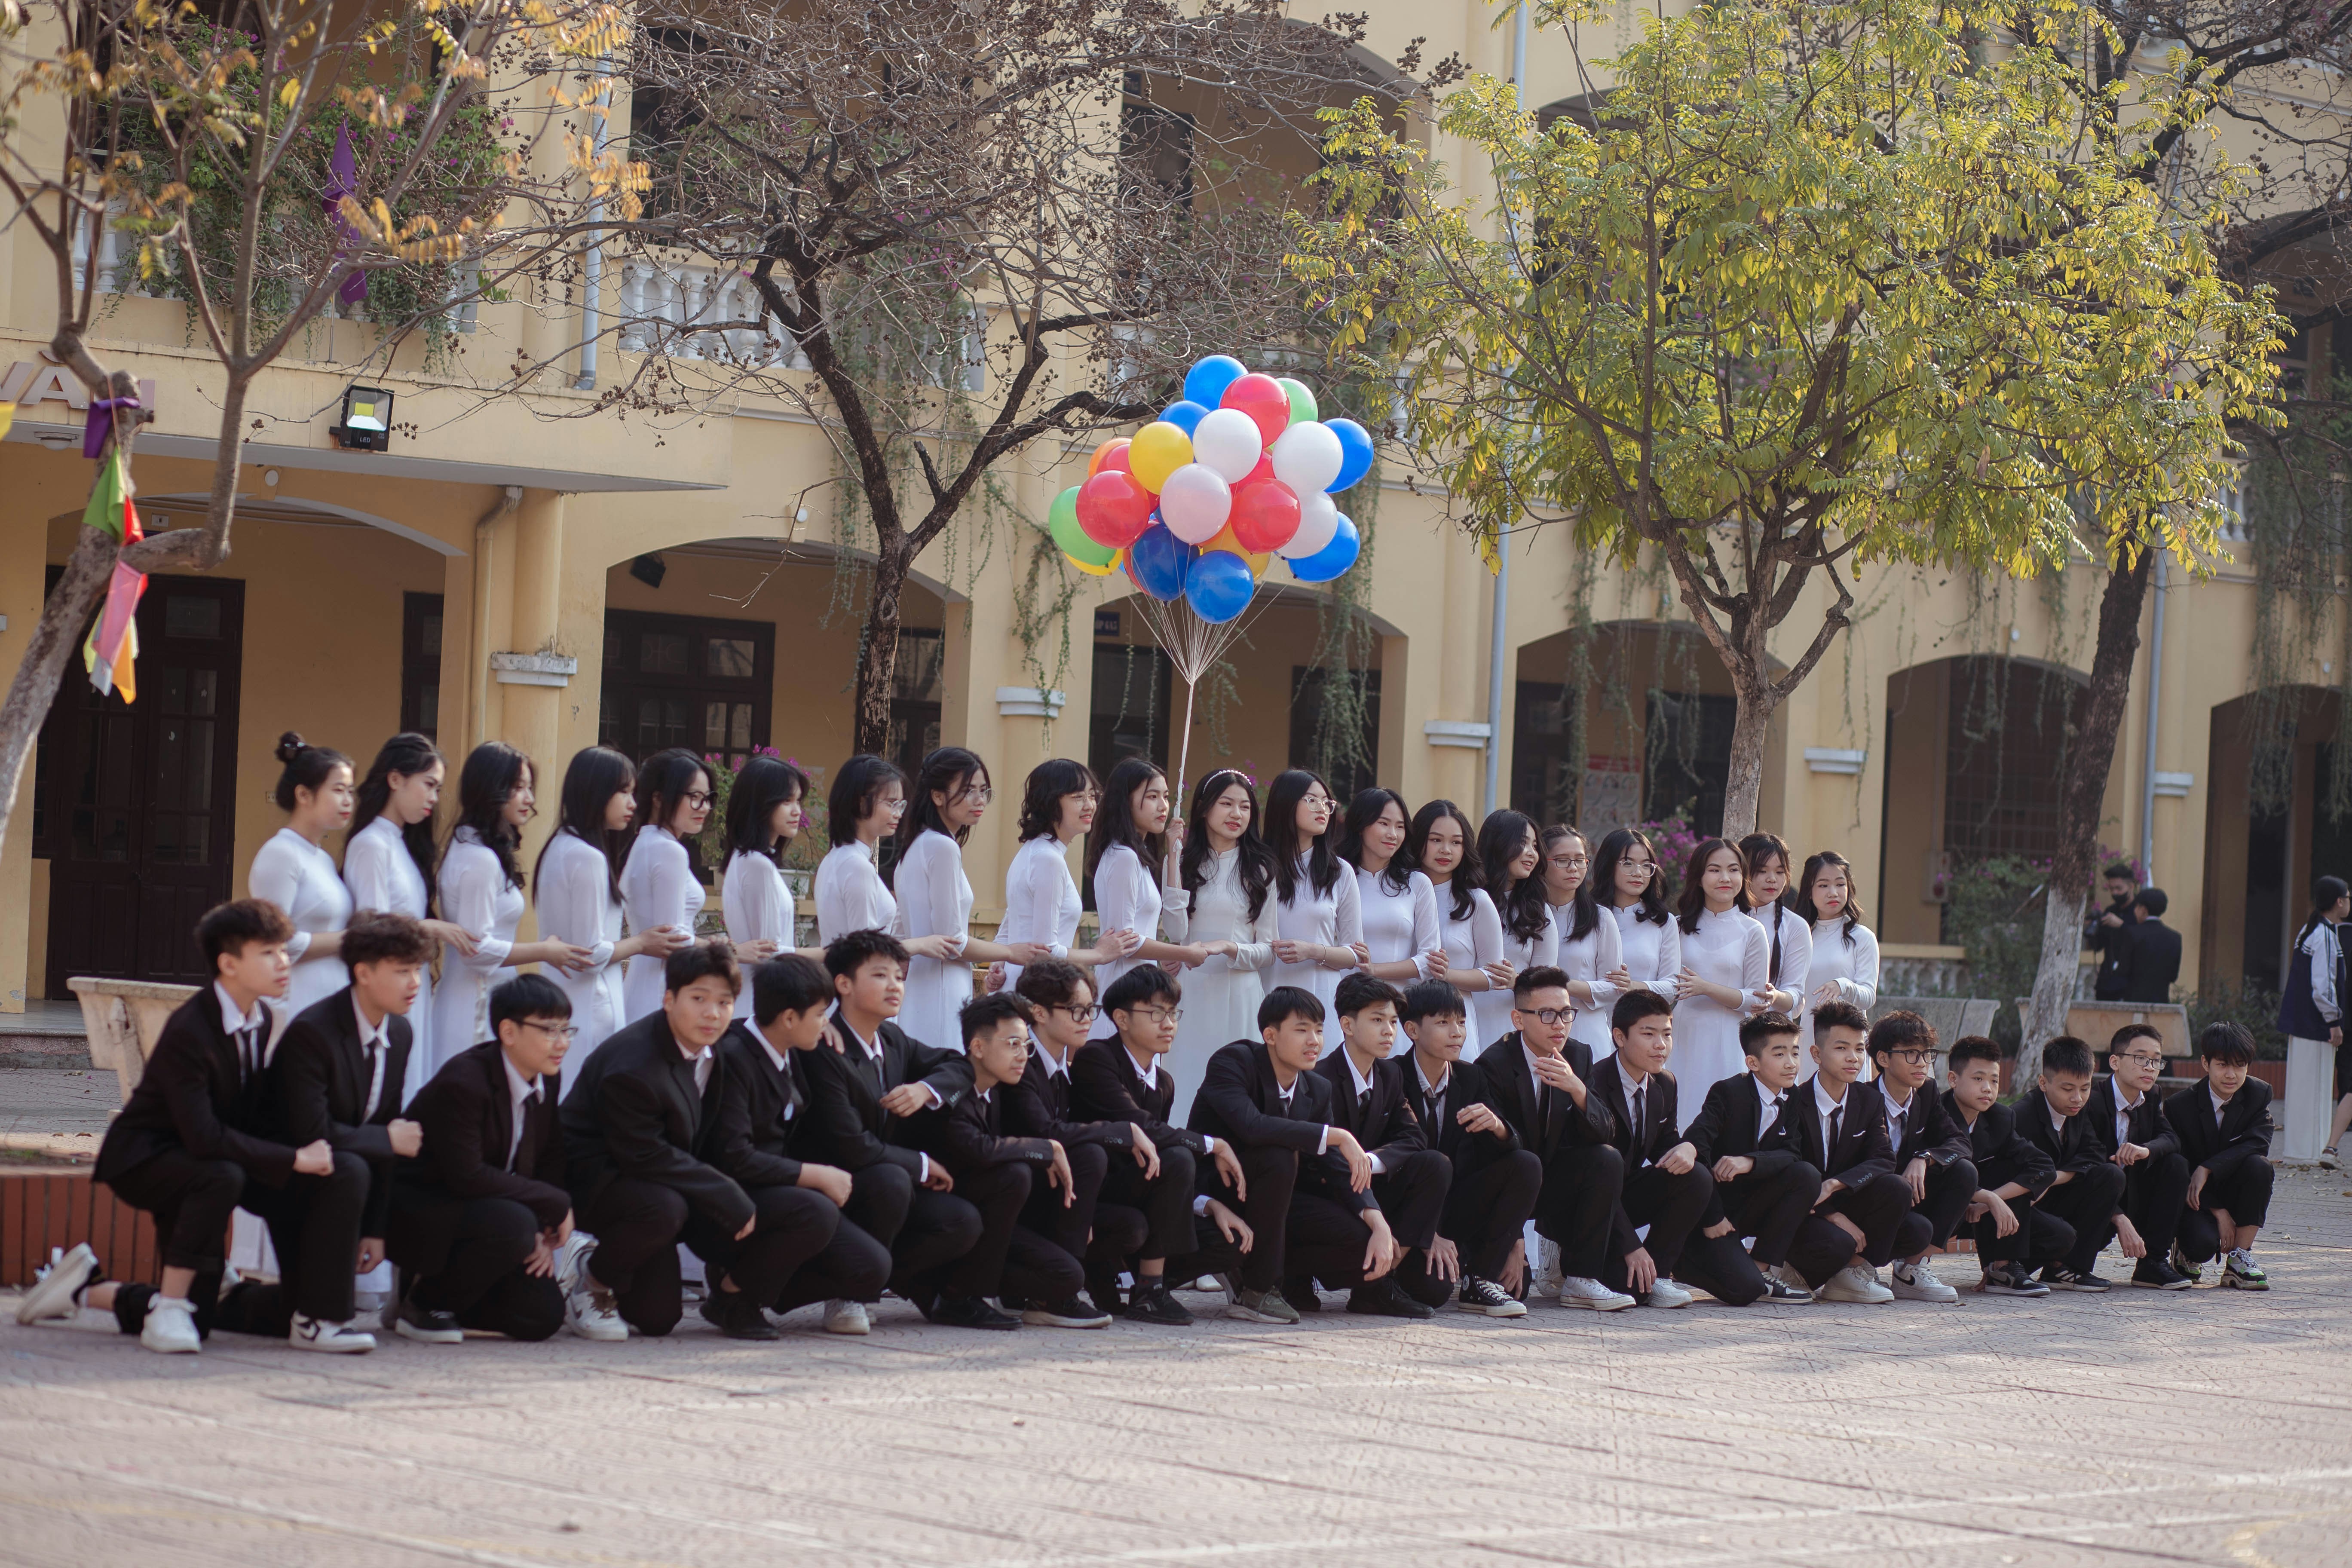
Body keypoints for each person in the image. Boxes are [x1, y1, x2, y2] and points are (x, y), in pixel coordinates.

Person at [23, 902, 362, 1353]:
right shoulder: (192, 1030)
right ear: (229, 964)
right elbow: (204, 1137)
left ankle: (86, 1289)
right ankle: (169, 1308)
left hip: (205, 1160)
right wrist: (293, 1158)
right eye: (269, 953)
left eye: (285, 951)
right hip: (148, 1158)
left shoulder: (258, 1021)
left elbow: (245, 1117)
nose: (284, 962)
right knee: (225, 1176)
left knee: (203, 1316)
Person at [563, 941, 839, 1339]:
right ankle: (591, 1280)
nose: (712, 1013)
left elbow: (773, 1031)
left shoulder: (716, 1047)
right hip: (606, 1182)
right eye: (698, 999)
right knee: (667, 1209)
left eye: (724, 1002)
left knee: (657, 1319)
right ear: (669, 999)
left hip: (669, 1185)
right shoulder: (634, 1065)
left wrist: (825, 1027)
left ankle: (723, 1288)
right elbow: (646, 1156)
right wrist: (725, 1192)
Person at [795, 928, 984, 1323]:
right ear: (842, 984)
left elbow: (959, 1064)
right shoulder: (824, 1047)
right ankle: (847, 1294)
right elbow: (851, 1146)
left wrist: (925, 1089)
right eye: (881, 976)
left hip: (882, 1184)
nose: (896, 985)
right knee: (892, 1180)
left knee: (961, 1221)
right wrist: (921, 1164)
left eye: (900, 976)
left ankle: (886, 1279)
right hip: (833, 1186)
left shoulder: (892, 1039)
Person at [1188, 985, 1399, 1325]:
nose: (1314, 1040)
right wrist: (1336, 1135)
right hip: (1216, 1193)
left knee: (1359, 1240)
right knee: (1279, 1157)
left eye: (1318, 1030)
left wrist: (1377, 1221)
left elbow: (1335, 1168)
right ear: (1270, 1035)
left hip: (1275, 1200)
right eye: (1301, 1030)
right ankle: (1258, 1290)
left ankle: (1268, 1273)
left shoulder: (1317, 1089)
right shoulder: (1234, 1061)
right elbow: (1253, 1127)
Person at [266, 911, 434, 1338]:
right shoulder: (313, 1032)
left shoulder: (400, 1031)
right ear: (363, 972)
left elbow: (386, 1136)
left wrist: (377, 1231)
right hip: (285, 1175)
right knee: (357, 1164)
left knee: (276, 1313)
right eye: (402, 972)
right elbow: (310, 1134)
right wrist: (386, 1138)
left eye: (417, 969)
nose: (415, 982)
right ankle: (320, 1323)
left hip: (341, 1176)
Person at [383, 974, 574, 1344]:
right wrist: (552, 1203)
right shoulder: (465, 1082)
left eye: (567, 1030)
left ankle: (439, 1297)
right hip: (419, 1212)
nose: (562, 1043)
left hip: (488, 1215)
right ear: (508, 1031)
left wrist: (542, 1229)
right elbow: (466, 1176)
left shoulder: (547, 1075)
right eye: (550, 1030)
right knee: (513, 1223)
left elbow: (550, 1154)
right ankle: (424, 1302)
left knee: (541, 1318)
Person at [891, 994, 1099, 1330]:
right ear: (978, 1047)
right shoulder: (950, 1095)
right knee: (1014, 1175)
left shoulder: (1001, 1090)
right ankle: (961, 1297)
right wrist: (1047, 1148)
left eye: (1027, 1046)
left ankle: (953, 1289)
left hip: (984, 1215)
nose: (1023, 1056)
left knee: (1067, 1276)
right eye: (1013, 1044)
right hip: (933, 1215)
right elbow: (980, 1149)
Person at [709, 955, 893, 1333]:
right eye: (822, 1014)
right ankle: (736, 1297)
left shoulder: (792, 1046)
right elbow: (733, 1157)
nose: (828, 1022)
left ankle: (748, 1284)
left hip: (780, 1194)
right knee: (817, 1212)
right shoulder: (734, 1059)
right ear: (789, 1018)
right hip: (733, 1198)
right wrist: (813, 1175)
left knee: (871, 1268)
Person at [1067, 963, 1254, 1321]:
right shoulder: (1097, 1058)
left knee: (1227, 1241)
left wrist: (1207, 1204)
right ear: (1121, 1019)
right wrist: (1212, 1144)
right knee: (1179, 1160)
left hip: (1138, 1196)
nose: (1168, 1023)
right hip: (1093, 1199)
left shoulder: (1164, 1082)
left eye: (1172, 1013)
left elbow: (1158, 1155)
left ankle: (1141, 1284)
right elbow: (1142, 1127)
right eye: (1156, 1013)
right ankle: (1147, 1289)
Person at [1009, 961, 1179, 1322]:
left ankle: (1096, 1285)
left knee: (1129, 1225)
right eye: (1076, 1010)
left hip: (1055, 1191)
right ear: (1038, 1012)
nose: (1087, 1019)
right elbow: (1046, 1132)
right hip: (1012, 1200)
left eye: (1090, 1010)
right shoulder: (1020, 1060)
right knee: (1091, 1154)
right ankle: (1053, 1296)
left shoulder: (1062, 1068)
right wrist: (1119, 1130)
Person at [1584, 990, 1767, 1308]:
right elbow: (1592, 1177)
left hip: (1628, 1195)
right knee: (1628, 1290)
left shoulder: (1665, 1083)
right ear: (1619, 1037)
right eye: (1649, 1034)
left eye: (1667, 1034)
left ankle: (1660, 1272)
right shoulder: (1593, 1083)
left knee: (1694, 1174)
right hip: (1591, 1203)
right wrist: (1631, 1246)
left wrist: (1690, 1150)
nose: (1661, 1045)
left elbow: (1667, 1146)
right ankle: (1591, 1263)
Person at [1476, 966, 1632, 1311]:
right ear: (1519, 1019)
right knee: (1516, 1292)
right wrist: (1514, 1241)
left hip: (1553, 1185)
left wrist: (1577, 1089)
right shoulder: (1493, 1064)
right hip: (1506, 1188)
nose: (1560, 1024)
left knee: (1606, 1158)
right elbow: (1489, 1156)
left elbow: (1605, 1132)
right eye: (1547, 1014)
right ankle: (1507, 1255)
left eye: (1566, 1013)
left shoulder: (1578, 1055)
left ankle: (1581, 1279)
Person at [434, 744, 589, 1078]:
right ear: (490, 789)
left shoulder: (473, 848)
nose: (529, 799)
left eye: (530, 788)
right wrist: (545, 951)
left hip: (485, 996)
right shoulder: (478, 858)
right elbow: (475, 949)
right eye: (518, 788)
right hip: (475, 1003)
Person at [538, 747, 686, 1089]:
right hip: (592, 1004)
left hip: (561, 998)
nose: (633, 804)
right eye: (623, 792)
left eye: (633, 793)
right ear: (594, 791)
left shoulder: (558, 847)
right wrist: (641, 942)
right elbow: (588, 954)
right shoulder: (587, 856)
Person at [1308, 973, 1455, 1317]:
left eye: (1392, 1021)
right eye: (1377, 1020)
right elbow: (1320, 1158)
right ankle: (1297, 1276)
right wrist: (1353, 1167)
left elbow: (1413, 1137)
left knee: (1435, 1164)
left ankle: (1379, 1280)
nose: (1389, 1030)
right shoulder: (1319, 1077)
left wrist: (1370, 1162)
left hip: (1373, 1185)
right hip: (1328, 1195)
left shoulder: (1390, 1074)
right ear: (1347, 1024)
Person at [1683, 1013, 1849, 1303]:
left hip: (1755, 1207)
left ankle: (1763, 1270)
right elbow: (1696, 1147)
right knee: (1744, 1291)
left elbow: (1792, 1153)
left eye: (1795, 1052)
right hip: (1716, 1214)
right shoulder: (1728, 1092)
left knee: (1806, 1175)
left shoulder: (1791, 1096)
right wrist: (1713, 1216)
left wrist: (1749, 1161)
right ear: (1753, 1063)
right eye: (1780, 1053)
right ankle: (1684, 1263)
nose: (1791, 1063)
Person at [346, 732, 474, 1101]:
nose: (435, 797)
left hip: (411, 985)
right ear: (395, 779)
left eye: (438, 788)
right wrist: (427, 927)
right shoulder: (370, 844)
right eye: (429, 785)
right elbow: (370, 929)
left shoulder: (402, 844)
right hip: (384, 986)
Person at [1396, 979, 1536, 1316]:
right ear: (1412, 1029)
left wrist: (1499, 1127)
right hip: (1406, 1215)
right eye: (1443, 1023)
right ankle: (1398, 1273)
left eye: (1461, 1022)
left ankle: (1480, 1281)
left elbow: (1508, 1149)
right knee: (1433, 1291)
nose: (1457, 1032)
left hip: (1457, 1210)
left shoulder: (1471, 1078)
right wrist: (1428, 1232)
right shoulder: (1392, 1077)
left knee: (1526, 1163)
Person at [891, 748, 1037, 1049]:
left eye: (984, 791)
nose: (979, 800)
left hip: (918, 986)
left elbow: (901, 928)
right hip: (941, 987)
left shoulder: (917, 844)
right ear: (938, 796)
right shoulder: (943, 848)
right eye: (968, 791)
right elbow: (952, 943)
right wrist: (1009, 952)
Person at [1766, 1001, 1903, 1304]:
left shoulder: (1869, 1100)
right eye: (1842, 1048)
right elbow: (1789, 1172)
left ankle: (1851, 1274)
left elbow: (1883, 1159)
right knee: (1837, 1242)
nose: (1853, 1058)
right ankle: (1794, 1272)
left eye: (1858, 1048)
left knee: (1901, 1196)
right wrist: (1835, 1216)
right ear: (1816, 1054)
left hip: (1842, 1197)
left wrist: (1835, 1185)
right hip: (1803, 1211)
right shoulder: (1792, 1102)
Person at [1164, 769, 1281, 1112]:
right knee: (1186, 1086)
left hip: (1242, 994)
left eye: (1245, 807)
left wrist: (1229, 948)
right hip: (1192, 991)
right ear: (1203, 809)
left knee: (1238, 1094)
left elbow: (1268, 950)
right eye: (1226, 804)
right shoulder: (1182, 861)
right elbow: (1174, 931)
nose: (1237, 814)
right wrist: (1172, 855)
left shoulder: (1261, 869)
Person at [1085, 757, 1205, 1039]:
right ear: (1124, 801)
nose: (1163, 806)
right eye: (1152, 797)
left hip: (1140, 986)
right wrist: (1184, 953)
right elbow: (1126, 943)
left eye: (1165, 796)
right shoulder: (1124, 857)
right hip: (1125, 989)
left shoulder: (1131, 856)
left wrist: (1173, 851)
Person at [995, 758, 1137, 994]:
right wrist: (1099, 955)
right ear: (1050, 802)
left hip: (1019, 984)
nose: (1090, 805)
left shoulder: (1033, 852)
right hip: (1035, 993)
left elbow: (1011, 925)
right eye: (1078, 797)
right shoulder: (1048, 859)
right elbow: (1045, 952)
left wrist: (999, 963)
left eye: (1092, 796)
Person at [1942, 1035, 2067, 1296]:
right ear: (1953, 1079)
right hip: (1940, 1206)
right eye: (1978, 1079)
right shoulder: (1936, 1112)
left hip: (1980, 1213)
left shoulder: (2000, 1117)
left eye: (1994, 1080)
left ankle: (2003, 1270)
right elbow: (1940, 1168)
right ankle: (1912, 1265)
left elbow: (2042, 1166)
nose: (1988, 1088)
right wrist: (1986, 1197)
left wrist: (1990, 1202)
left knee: (2061, 1236)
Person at [1859, 1011, 1971, 1303]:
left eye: (1927, 1054)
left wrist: (1924, 1157)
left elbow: (1959, 1142)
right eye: (1911, 1054)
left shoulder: (1927, 1093)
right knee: (1908, 1210)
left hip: (1907, 1199)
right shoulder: (1862, 1099)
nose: (1922, 1063)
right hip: (1867, 1203)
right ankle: (1856, 1268)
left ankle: (1912, 1271)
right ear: (1883, 1059)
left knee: (1964, 1172)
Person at [2015, 1035, 2137, 1292]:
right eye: (2068, 1089)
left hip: (2053, 1195)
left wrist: (2056, 1177)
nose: (2078, 1098)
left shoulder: (2079, 1112)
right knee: (2063, 1234)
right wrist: (2045, 1180)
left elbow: (2094, 1153)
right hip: (2024, 1209)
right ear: (2044, 1083)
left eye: (2085, 1088)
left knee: (2111, 1176)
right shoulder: (2021, 1115)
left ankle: (2069, 1269)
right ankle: (2011, 1267)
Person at [249, 732, 356, 1017]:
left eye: (350, 791)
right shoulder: (281, 854)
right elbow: (277, 943)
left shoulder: (321, 858)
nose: (348, 801)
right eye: (338, 790)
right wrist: (351, 939)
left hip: (333, 1000)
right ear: (304, 795)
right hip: (295, 1005)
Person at [2164, 1021, 2275, 1289]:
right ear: (2206, 1063)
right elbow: (2182, 1168)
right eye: (2223, 1065)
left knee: (2260, 1166)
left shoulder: (2258, 1093)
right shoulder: (2179, 1107)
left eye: (2240, 1066)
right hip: (2197, 1197)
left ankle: (2240, 1258)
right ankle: (2183, 1252)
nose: (2232, 1075)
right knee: (2201, 1247)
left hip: (2236, 1187)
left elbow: (2258, 1143)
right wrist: (2219, 1211)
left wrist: (2209, 1168)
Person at [1670, 838, 1771, 1118]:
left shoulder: (1752, 931)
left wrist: (1706, 988)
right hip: (1683, 1035)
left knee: (1724, 1118)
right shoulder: (1676, 927)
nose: (1725, 878)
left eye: (1734, 870)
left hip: (1728, 1037)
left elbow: (1756, 1000)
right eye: (1715, 870)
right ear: (1699, 878)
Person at [2089, 1023, 2195, 1290]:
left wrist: (2144, 1150)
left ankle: (2153, 1264)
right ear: (2115, 1061)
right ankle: (2066, 1267)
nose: (2150, 1067)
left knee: (2176, 1165)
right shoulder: (2091, 1099)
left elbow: (2171, 1138)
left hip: (2133, 1191)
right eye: (2140, 1058)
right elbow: (2085, 1163)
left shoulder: (2152, 1095)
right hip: (2093, 1196)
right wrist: (2118, 1217)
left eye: (2156, 1061)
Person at [1265, 769, 1366, 1029]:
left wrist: (1312, 951)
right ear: (1286, 804)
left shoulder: (1340, 871)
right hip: (1266, 992)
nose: (1322, 808)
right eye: (1312, 800)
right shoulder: (1258, 868)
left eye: (1327, 802)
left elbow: (1354, 954)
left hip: (1320, 994)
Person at [618, 748, 713, 1022]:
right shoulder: (668, 850)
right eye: (694, 797)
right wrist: (728, 951)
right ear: (658, 798)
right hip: (662, 993)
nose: (704, 807)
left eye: (707, 798)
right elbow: (673, 940)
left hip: (643, 988)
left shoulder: (645, 843)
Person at [720, 753, 815, 1021]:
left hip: (755, 1000)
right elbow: (769, 954)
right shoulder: (756, 865)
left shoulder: (746, 860)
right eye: (787, 801)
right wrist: (823, 955)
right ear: (760, 804)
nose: (797, 811)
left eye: (798, 801)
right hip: (761, 1007)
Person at [1409, 798, 1507, 1028]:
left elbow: (1494, 975)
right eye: (1436, 840)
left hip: (1455, 1021)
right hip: (1400, 1017)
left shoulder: (1477, 902)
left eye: (1456, 842)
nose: (1446, 850)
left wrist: (1446, 974)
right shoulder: (1398, 894)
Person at [1470, 809, 1558, 1054]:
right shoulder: (1465, 901)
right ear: (1498, 844)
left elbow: (1548, 982)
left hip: (1512, 1024)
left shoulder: (1539, 912)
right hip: (1463, 1015)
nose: (1531, 853)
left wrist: (1516, 981)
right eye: (1522, 843)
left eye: (1534, 845)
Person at [1339, 787, 1445, 986]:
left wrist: (1374, 970)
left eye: (1400, 827)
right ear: (1360, 825)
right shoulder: (1337, 878)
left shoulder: (1417, 883)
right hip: (1341, 1000)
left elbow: (1430, 959)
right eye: (1384, 824)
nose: (1393, 835)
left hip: (1395, 1004)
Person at [2277, 876, 2347, 1164]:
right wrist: (2334, 1021)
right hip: (2316, 1024)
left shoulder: (2310, 929)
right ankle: (2310, 1152)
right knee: (2316, 1090)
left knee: (2302, 1089)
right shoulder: (2327, 935)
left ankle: (2300, 1150)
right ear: (2340, 902)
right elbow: (2323, 986)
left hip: (2301, 1022)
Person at [1545, 825, 1627, 1058]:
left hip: (1586, 1028)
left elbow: (1614, 987)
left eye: (1580, 860)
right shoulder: (1529, 916)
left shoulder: (1601, 917)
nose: (1573, 868)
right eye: (1562, 860)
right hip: (1538, 1027)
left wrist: (1556, 986)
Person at [1795, 850, 1878, 1047]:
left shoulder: (1862, 937)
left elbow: (1868, 997)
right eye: (1823, 885)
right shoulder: (1800, 937)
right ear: (1809, 890)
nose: (1833, 892)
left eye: (1840, 884)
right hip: (1810, 1039)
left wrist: (1843, 985)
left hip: (1849, 1041)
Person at [1593, 827, 1680, 1010]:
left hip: (1641, 1025)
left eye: (1646, 865)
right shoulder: (1589, 917)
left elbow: (1672, 987)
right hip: (1591, 1022)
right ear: (1609, 865)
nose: (1638, 873)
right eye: (1628, 864)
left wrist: (1632, 986)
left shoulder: (1663, 922)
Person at [1737, 833, 1810, 1019]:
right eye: (1762, 871)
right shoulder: (1725, 917)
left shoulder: (1796, 927)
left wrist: (1774, 997)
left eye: (1779, 872)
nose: (1772, 879)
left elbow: (1795, 994)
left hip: (1768, 1032)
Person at [2117, 888, 2183, 1004]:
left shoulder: (2132, 933)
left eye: (2136, 907)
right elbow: (2173, 976)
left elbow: (2123, 970)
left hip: (2134, 1001)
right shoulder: (2175, 938)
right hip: (2162, 1002)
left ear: (2143, 910)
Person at [2087, 861, 2141, 1001]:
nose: (2115, 893)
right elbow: (2098, 946)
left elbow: (2143, 939)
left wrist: (2122, 925)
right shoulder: (2110, 911)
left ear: (2131, 887)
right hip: (2107, 982)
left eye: (2119, 888)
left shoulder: (2140, 911)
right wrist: (2091, 927)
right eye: (2111, 889)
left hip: (2131, 982)